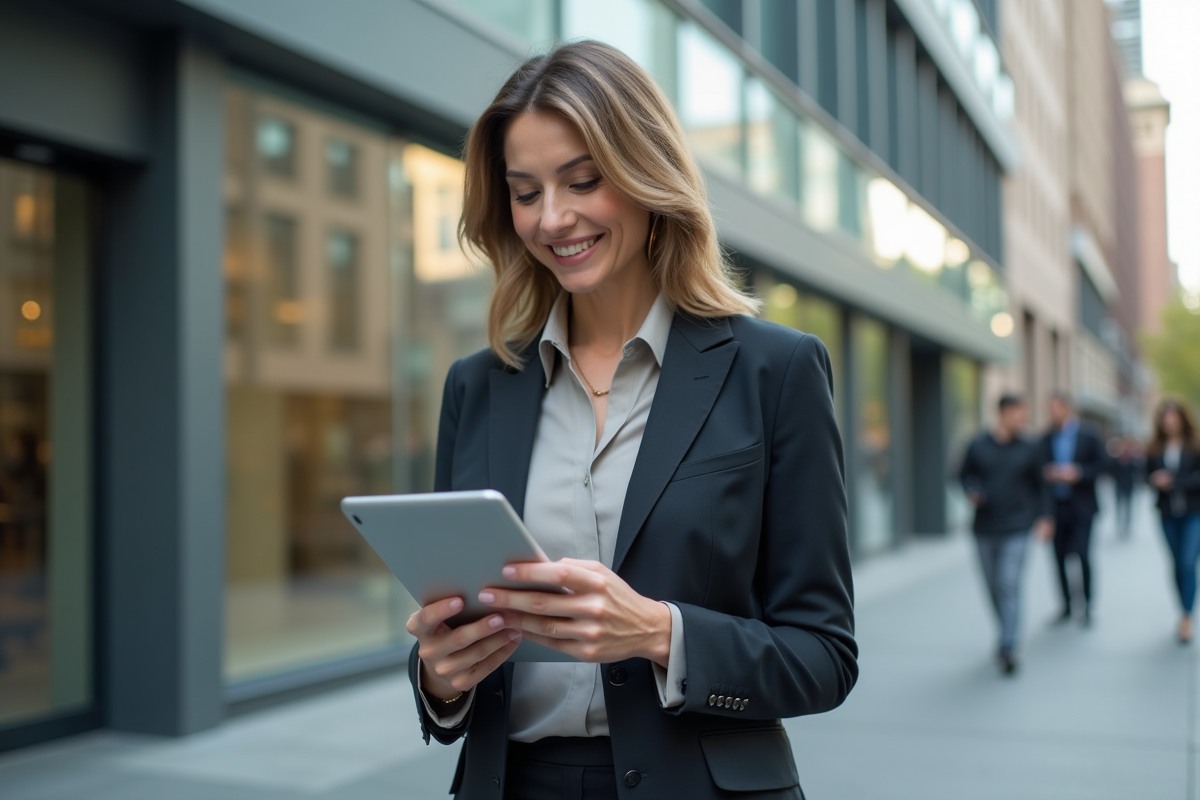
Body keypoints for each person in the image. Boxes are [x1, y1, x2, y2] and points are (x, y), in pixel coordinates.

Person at [403, 41, 856, 800]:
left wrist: (656, 633)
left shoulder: (775, 371)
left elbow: (824, 655)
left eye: (584, 180)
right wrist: (440, 679)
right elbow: (457, 634)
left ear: (648, 175)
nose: (553, 218)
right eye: (524, 192)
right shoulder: (477, 388)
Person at [959, 395, 1052, 675]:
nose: (1021, 419)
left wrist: (1046, 518)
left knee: (1008, 582)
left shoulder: (1031, 447)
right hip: (985, 528)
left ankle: (1008, 646)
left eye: (1024, 414)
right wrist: (971, 491)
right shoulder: (977, 445)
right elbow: (963, 476)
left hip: (1018, 526)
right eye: (1017, 414)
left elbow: (1042, 486)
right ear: (1002, 413)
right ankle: (1005, 630)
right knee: (993, 587)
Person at [1040, 392, 1106, 626]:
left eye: (1056, 408)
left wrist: (1078, 472)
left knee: (1083, 556)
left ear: (1067, 409)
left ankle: (1087, 605)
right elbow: (1038, 470)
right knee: (1058, 558)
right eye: (1050, 409)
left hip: (1082, 507)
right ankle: (1066, 604)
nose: (1052, 413)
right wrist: (1048, 473)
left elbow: (1102, 465)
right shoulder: (1045, 437)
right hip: (1056, 508)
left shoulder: (1088, 435)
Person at [1144, 398, 1200, 644]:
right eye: (1165, 417)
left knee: (1188, 563)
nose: (1169, 421)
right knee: (1176, 564)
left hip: (1193, 513)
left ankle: (1187, 617)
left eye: (1173, 417)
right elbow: (1144, 474)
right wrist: (1154, 480)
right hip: (1167, 513)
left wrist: (1175, 481)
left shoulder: (1195, 445)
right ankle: (1182, 608)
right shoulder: (1155, 447)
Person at [1108, 436, 1142, 540]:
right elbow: (1111, 472)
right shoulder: (1116, 461)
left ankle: (1127, 526)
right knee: (1119, 506)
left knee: (1128, 507)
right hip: (1119, 487)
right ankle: (1120, 525)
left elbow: (1137, 472)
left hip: (1129, 487)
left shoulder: (1132, 461)